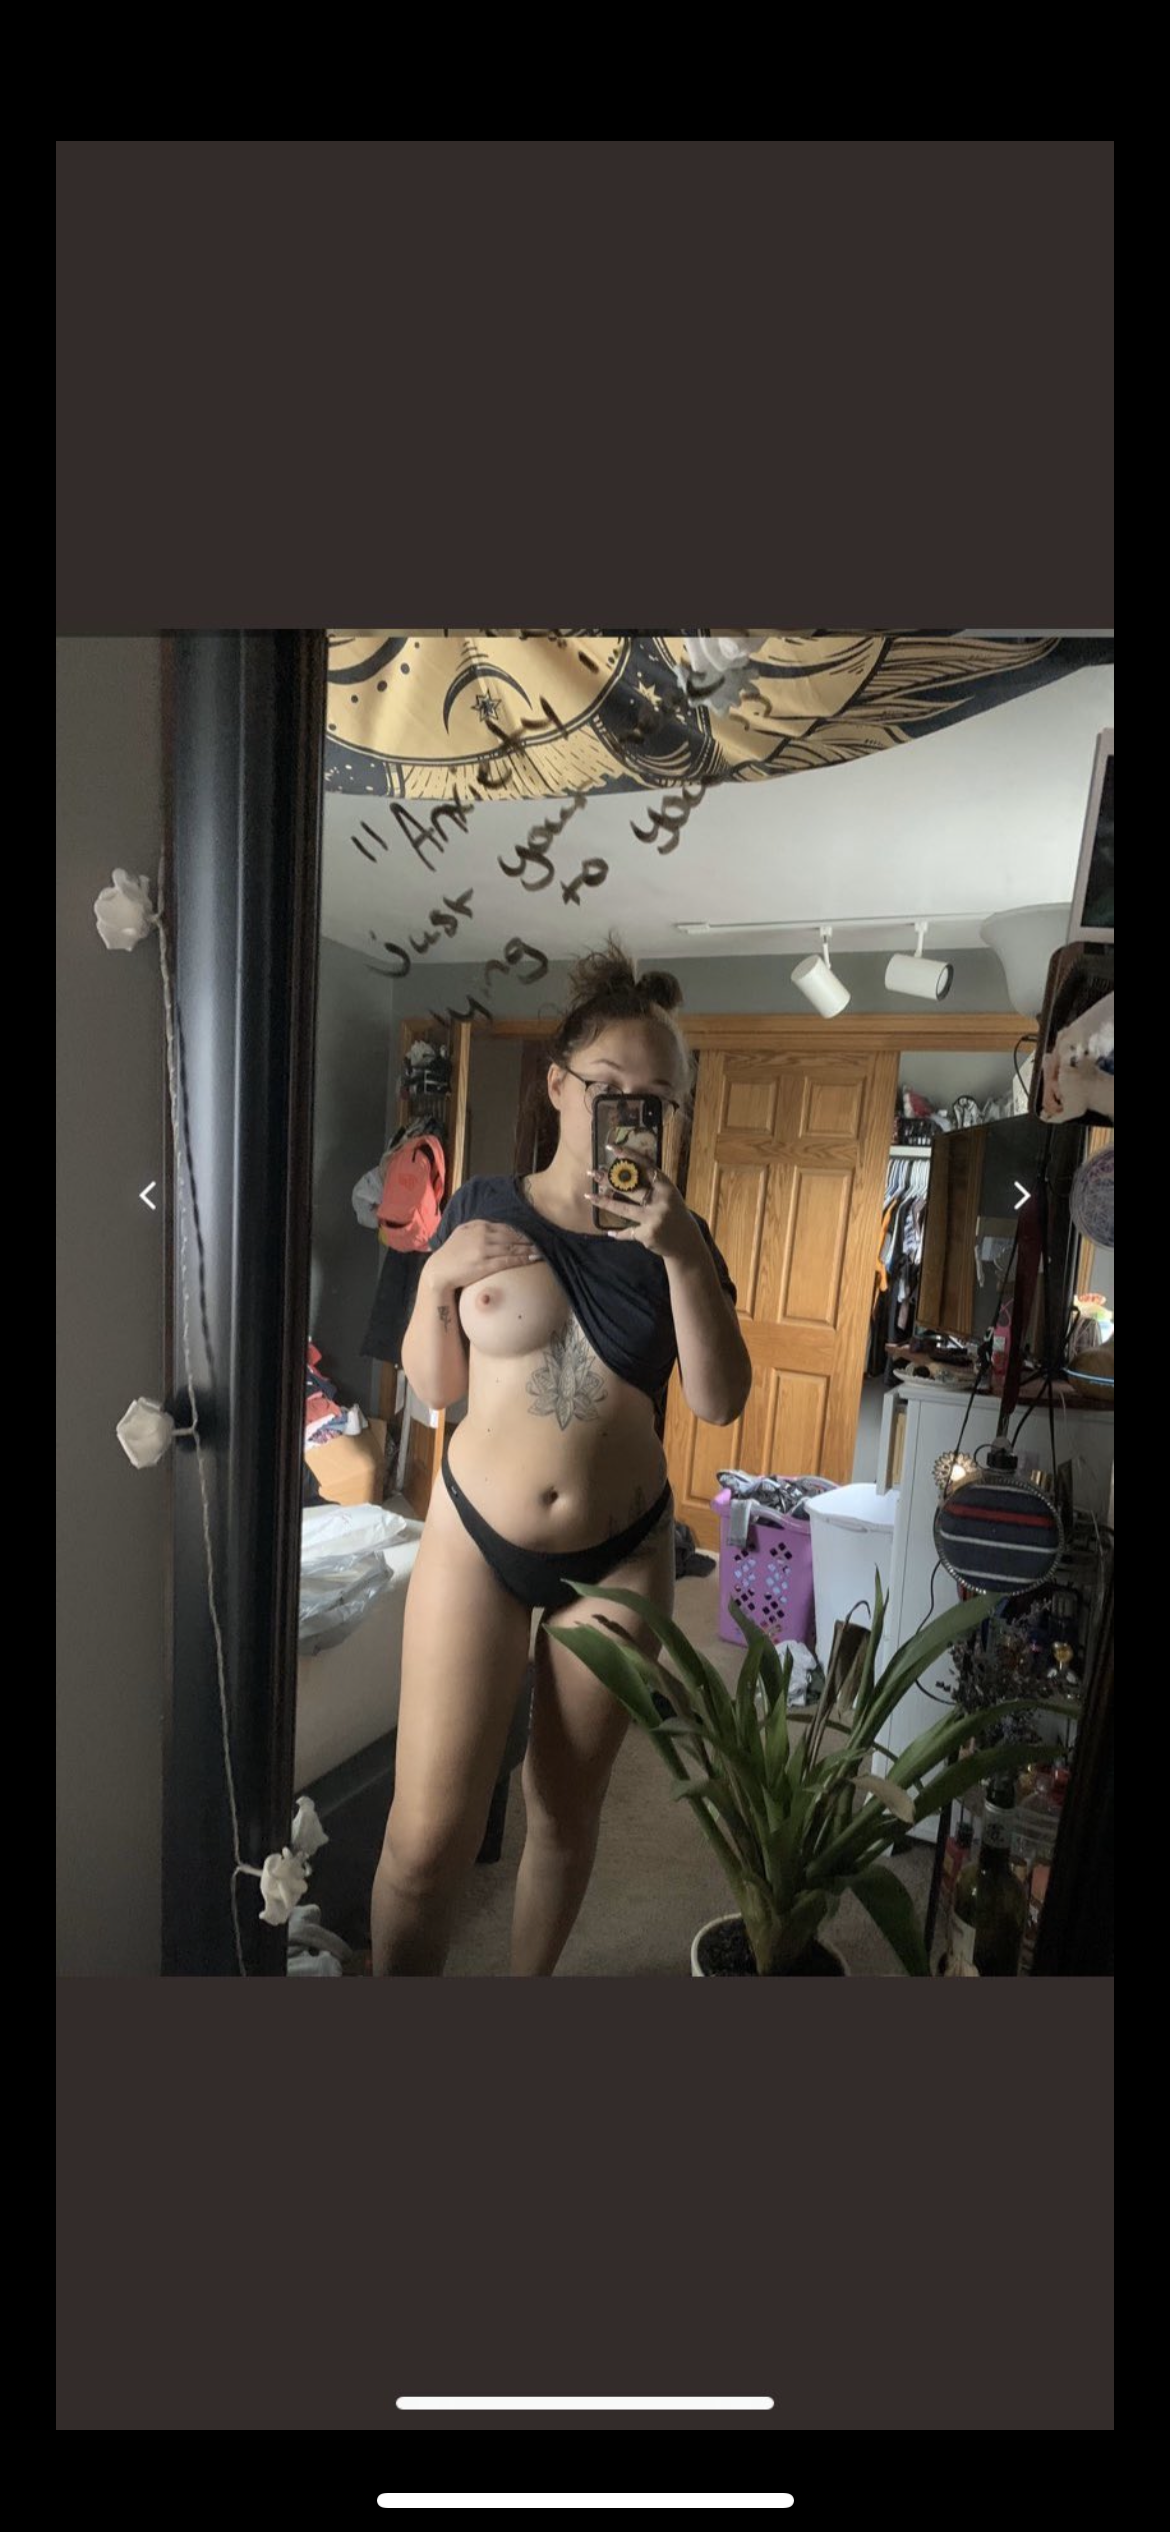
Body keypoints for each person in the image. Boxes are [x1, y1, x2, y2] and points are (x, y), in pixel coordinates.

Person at [370, 942, 752, 1975]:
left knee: (564, 1813)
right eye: (609, 1087)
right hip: (476, 1541)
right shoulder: (481, 1204)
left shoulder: (683, 1239)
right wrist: (435, 1281)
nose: (632, 1112)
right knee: (423, 1841)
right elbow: (435, 1385)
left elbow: (719, 1402)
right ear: (557, 1086)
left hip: (620, 1556)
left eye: (656, 1101)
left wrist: (681, 1254)